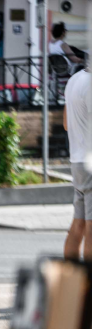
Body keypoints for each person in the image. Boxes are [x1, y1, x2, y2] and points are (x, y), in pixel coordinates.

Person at [64, 66, 92, 260]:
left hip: (78, 161)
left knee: (78, 224)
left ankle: (69, 282)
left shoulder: (74, 79)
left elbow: (66, 124)